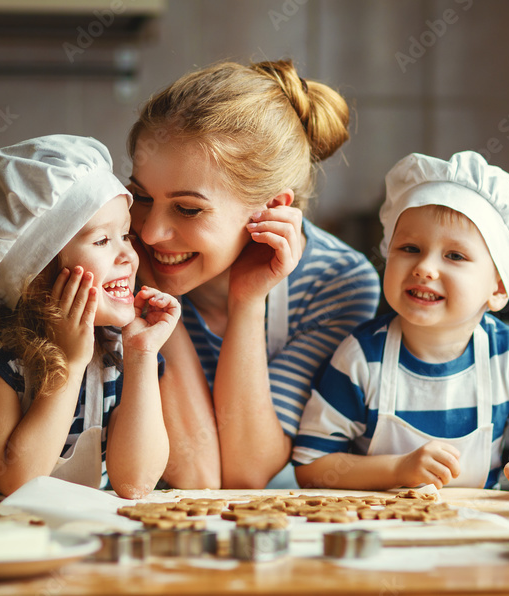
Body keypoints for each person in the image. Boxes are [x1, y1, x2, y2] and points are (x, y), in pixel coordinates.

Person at [126, 59, 382, 489]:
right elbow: (196, 476)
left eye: (188, 208)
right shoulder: (116, 253)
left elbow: (245, 473)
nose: (150, 233)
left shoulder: (335, 282)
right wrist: (154, 294)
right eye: (142, 197)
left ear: (272, 208)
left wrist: (248, 301)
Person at [0, 135, 179, 500]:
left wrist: (142, 355)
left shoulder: (119, 345)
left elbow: (135, 483)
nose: (129, 256)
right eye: (102, 241)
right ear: (36, 273)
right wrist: (70, 360)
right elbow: (18, 480)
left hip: (61, 531)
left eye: (126, 235)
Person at [292, 151, 509, 496]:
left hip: (475, 531)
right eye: (409, 248)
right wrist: (398, 469)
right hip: (382, 531)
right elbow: (313, 468)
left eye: (454, 255)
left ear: (497, 289)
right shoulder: (361, 358)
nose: (424, 267)